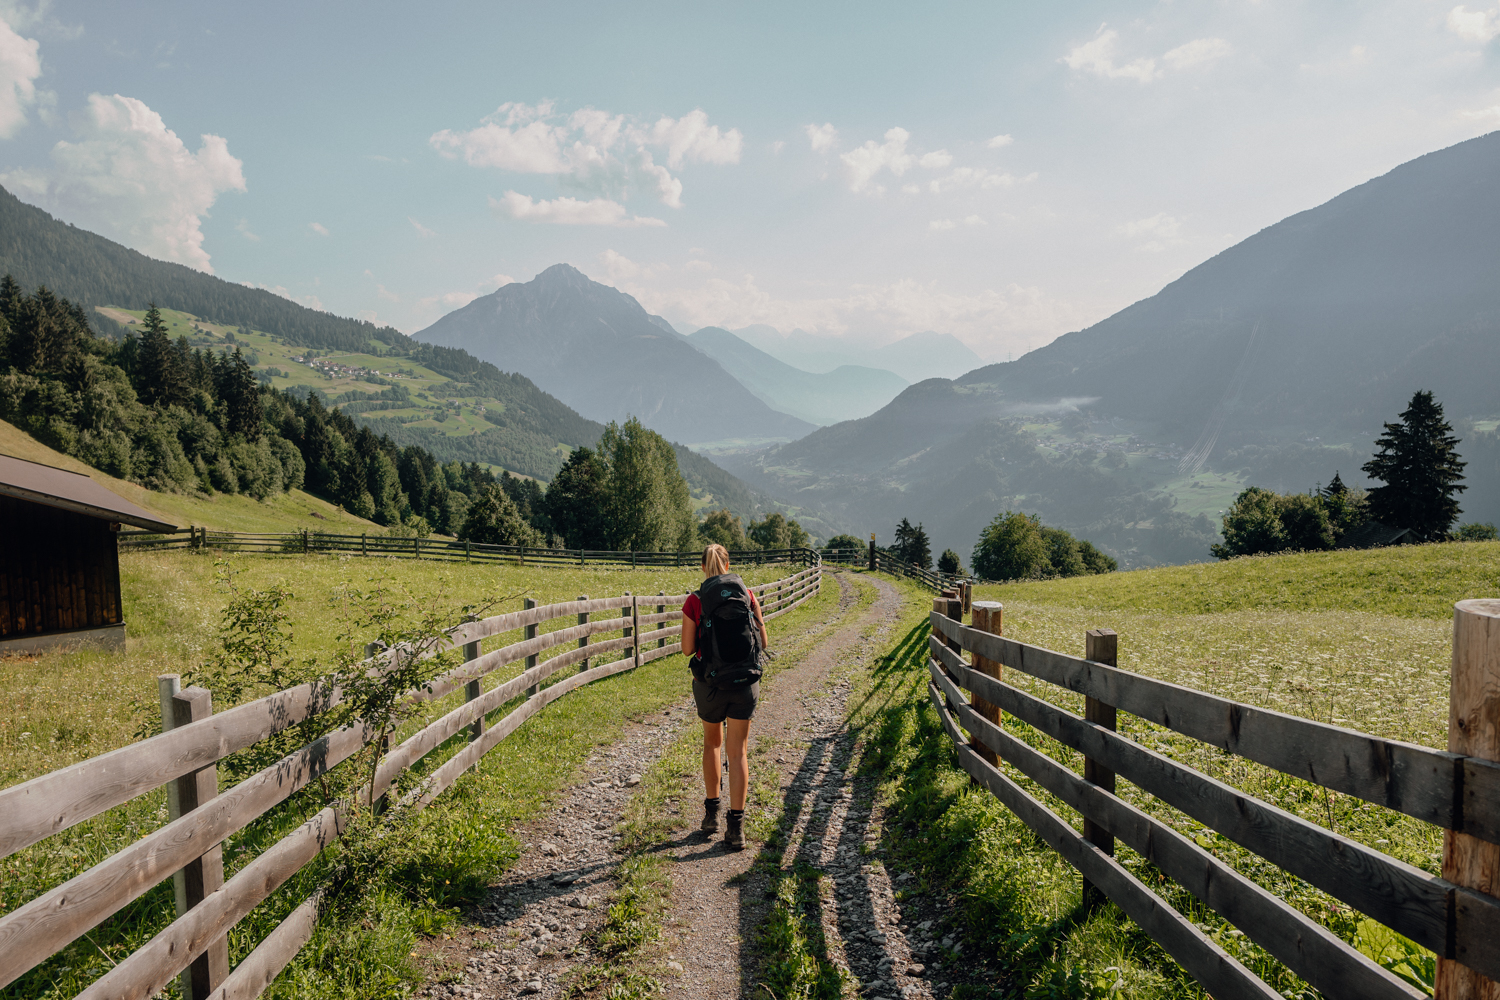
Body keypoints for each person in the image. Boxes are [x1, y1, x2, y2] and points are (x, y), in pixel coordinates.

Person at [680, 543, 768, 849]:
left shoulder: (695, 600)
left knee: (712, 744)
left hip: (711, 685)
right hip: (745, 683)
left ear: (703, 568)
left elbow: (688, 649)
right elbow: (764, 640)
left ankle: (712, 815)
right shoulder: (747, 594)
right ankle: (736, 828)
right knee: (739, 752)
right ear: (728, 564)